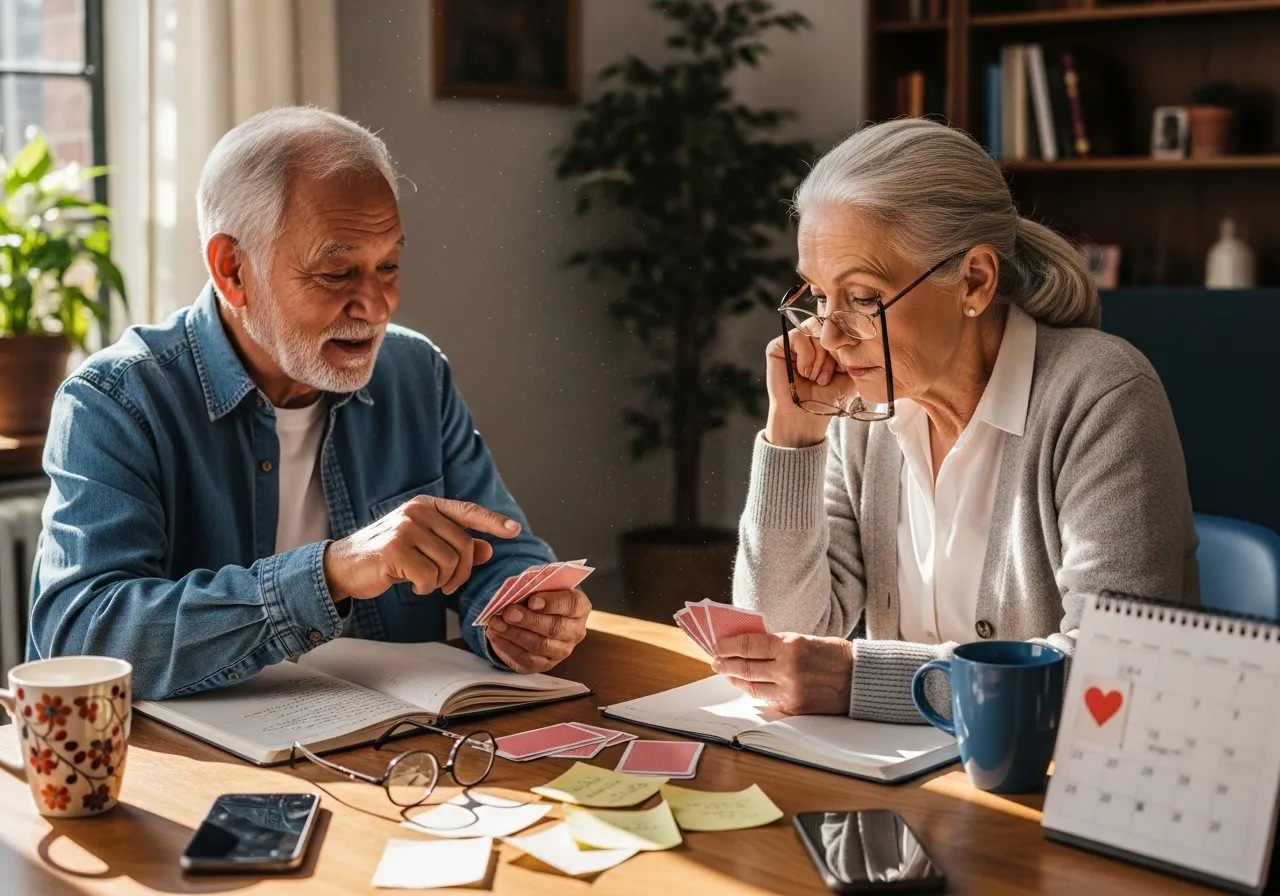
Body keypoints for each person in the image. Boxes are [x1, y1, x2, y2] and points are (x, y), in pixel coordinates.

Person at [30, 107, 590, 701]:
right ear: (232, 270)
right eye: (336, 271)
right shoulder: (115, 401)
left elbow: (499, 557)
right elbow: (82, 637)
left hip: (395, 751)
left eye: (390, 265)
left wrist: (525, 616)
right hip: (199, 765)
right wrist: (334, 570)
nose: (375, 305)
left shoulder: (415, 374)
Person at [717, 118, 1198, 723]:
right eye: (816, 295)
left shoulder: (1101, 394)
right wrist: (793, 434)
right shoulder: (863, 408)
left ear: (973, 280)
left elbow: (1120, 666)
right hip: (903, 784)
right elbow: (779, 645)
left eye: (863, 297)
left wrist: (856, 680)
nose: (829, 336)